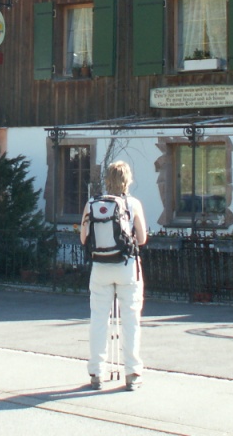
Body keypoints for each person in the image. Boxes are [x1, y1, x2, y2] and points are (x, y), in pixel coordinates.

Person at [80, 160, 148, 391]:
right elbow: (142, 239)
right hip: (127, 266)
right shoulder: (133, 204)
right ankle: (132, 373)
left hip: (100, 267)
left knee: (99, 320)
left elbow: (83, 238)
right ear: (127, 180)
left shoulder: (92, 204)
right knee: (130, 320)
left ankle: (97, 373)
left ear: (107, 180)